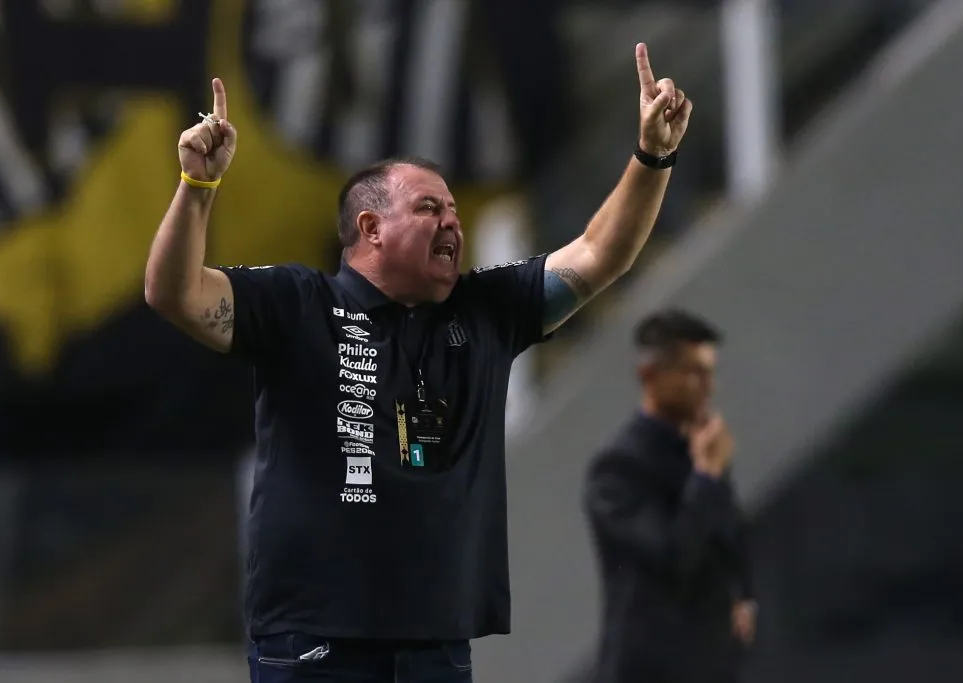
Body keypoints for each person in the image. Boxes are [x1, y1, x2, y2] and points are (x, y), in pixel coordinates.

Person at [144, 43, 692, 683]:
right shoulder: (298, 304)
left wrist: (653, 156)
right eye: (430, 208)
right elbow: (174, 292)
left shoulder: (487, 310)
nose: (452, 222)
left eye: (454, 209)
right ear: (371, 228)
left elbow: (601, 253)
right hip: (315, 641)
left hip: (435, 643)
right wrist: (197, 186)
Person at [583, 310, 757, 683]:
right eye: (694, 373)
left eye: (711, 372)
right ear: (650, 376)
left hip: (712, 662)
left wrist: (743, 595)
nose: (709, 387)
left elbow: (729, 531)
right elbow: (672, 556)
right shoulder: (617, 468)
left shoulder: (700, 446)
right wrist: (706, 476)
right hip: (652, 669)